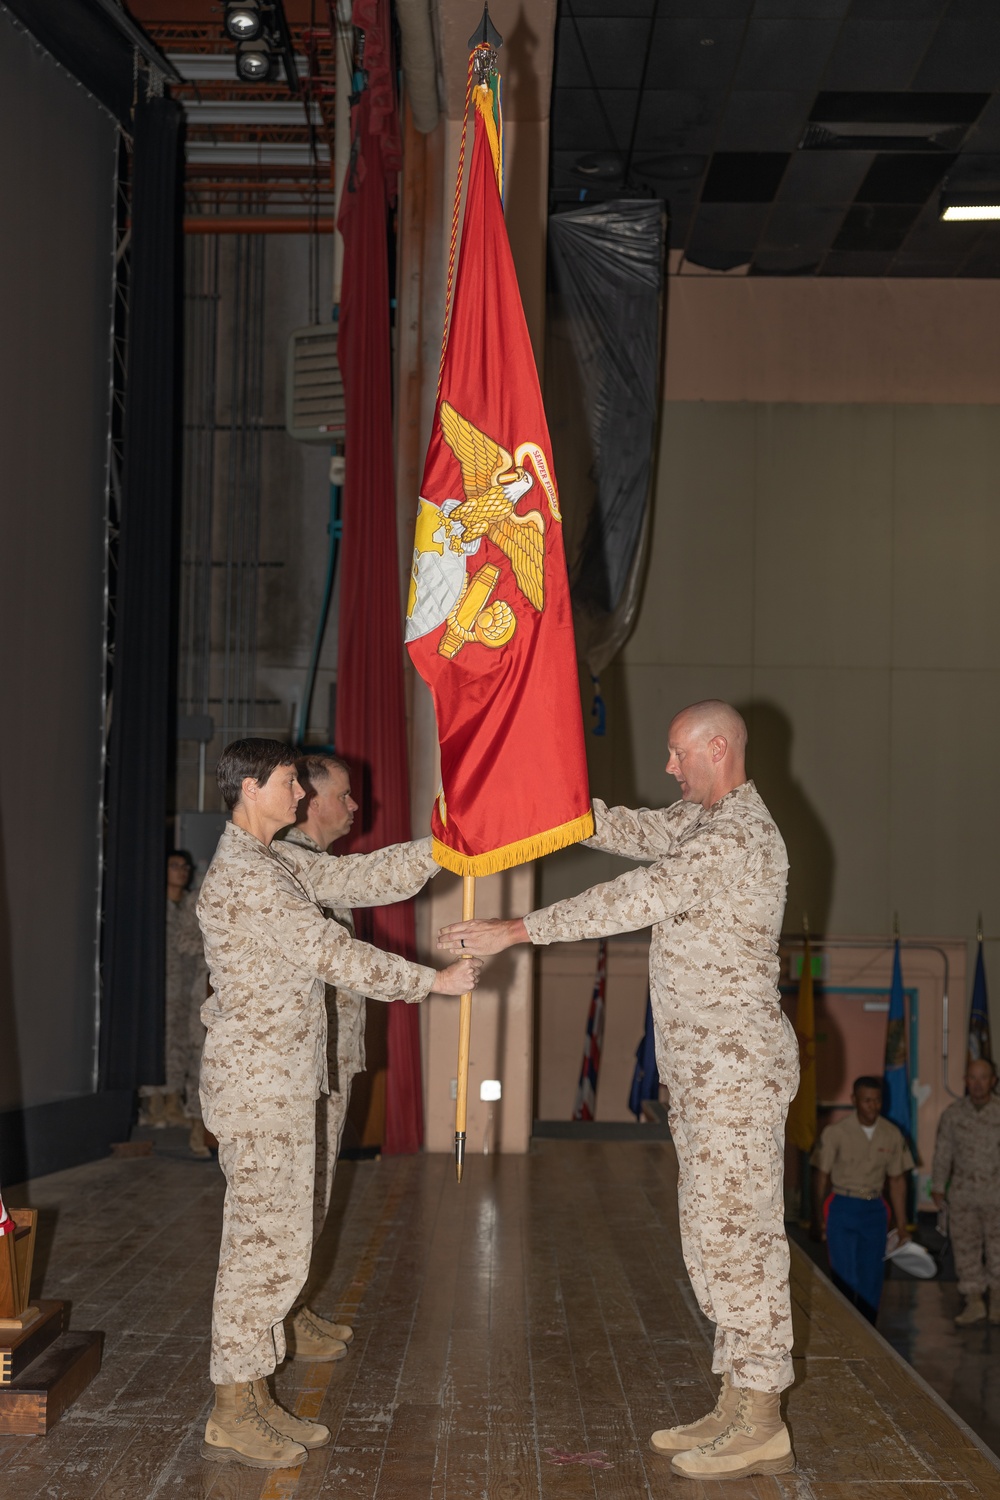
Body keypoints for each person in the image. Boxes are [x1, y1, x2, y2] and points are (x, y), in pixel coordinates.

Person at [440, 700, 798, 1482]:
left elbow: (629, 901)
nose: (668, 769)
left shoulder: (735, 834)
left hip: (735, 1069)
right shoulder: (702, 821)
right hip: (706, 1068)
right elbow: (626, 829)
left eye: (677, 755)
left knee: (741, 1238)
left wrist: (513, 932)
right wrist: (542, 803)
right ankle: (738, 1398)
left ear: (716, 748)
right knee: (712, 1235)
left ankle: (764, 1417)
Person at [197, 738, 481, 1470]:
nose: (302, 798)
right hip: (261, 1086)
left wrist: (443, 843)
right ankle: (232, 1406)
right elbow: (331, 953)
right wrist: (432, 983)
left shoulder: (270, 862)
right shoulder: (247, 874)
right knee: (258, 1251)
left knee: (279, 1244)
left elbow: (359, 881)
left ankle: (253, 1393)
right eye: (292, 783)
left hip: (281, 1078)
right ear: (253, 786)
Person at [276, 753, 369, 1359]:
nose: (354, 806)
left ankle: (293, 1305)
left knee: (316, 1188)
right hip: (301, 1061)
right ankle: (277, 1316)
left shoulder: (320, 865)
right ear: (309, 800)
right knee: (293, 1195)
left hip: (332, 1053)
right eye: (344, 795)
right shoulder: (290, 867)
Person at [811, 1076, 913, 1324]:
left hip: (874, 1209)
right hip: (842, 1207)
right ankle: (844, 1330)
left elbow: (898, 1182)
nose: (873, 1106)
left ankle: (868, 1329)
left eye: (877, 1100)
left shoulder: (891, 1134)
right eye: (867, 1100)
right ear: (854, 1100)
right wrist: (817, 1219)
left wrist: (902, 1225)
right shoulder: (836, 1132)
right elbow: (820, 1178)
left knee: (871, 1276)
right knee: (844, 1276)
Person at [138, 850, 210, 1152]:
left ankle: (172, 1103)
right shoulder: (153, 905)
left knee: (180, 1045)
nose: (182, 871)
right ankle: (155, 1105)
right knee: (160, 1043)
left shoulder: (186, 905)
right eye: (174, 866)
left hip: (186, 986)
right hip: (159, 985)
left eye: (185, 867)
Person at [931, 1056, 1000, 1326]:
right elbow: (943, 1153)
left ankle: (997, 1301)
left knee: (998, 1250)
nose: (978, 1083)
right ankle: (974, 1302)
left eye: (984, 1077)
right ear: (966, 1081)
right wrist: (938, 1186)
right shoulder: (953, 1114)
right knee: (966, 1249)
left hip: (996, 1194)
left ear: (993, 1081)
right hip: (963, 1195)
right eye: (972, 1077)